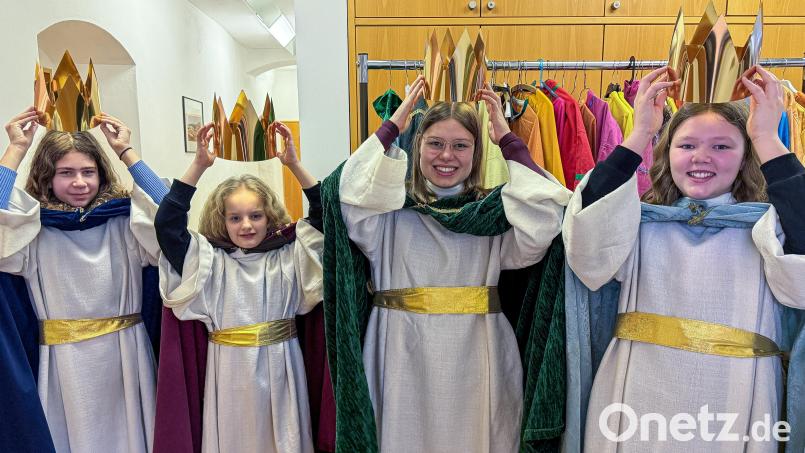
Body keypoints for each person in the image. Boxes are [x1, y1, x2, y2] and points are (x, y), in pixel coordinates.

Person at [563, 66, 805, 452]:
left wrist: (765, 137)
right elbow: (587, 246)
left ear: (746, 158)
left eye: (722, 146)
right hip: (634, 397)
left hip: (734, 401)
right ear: (666, 152)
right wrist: (639, 133)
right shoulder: (638, 224)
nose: (701, 158)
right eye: (687, 145)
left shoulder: (767, 230)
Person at [328, 75, 571, 452]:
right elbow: (345, 194)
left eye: (461, 146)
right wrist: (393, 128)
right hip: (399, 347)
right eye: (435, 143)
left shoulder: (495, 214)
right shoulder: (387, 213)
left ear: (476, 153)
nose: (447, 156)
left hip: (477, 349)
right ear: (418, 145)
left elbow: (545, 219)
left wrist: (508, 140)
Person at [0, 107, 167, 452]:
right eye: (66, 173)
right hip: (64, 362)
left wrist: (126, 152)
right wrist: (16, 149)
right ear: (47, 176)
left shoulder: (124, 221)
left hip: (126, 354)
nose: (79, 182)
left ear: (102, 175)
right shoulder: (32, 229)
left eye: (88, 172)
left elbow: (170, 216)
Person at [153, 121, 324, 453]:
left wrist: (293, 165)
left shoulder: (288, 253)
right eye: (235, 217)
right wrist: (199, 165)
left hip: (282, 365)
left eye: (256, 216)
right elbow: (167, 224)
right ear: (222, 220)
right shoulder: (208, 261)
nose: (246, 225)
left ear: (269, 215)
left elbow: (324, 214)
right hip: (229, 371)